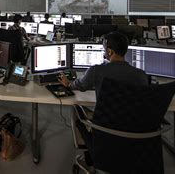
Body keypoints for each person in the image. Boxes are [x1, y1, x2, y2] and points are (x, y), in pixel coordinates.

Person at [58, 32, 148, 168]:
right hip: (133, 134)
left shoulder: (97, 71)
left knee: (76, 107)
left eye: (104, 48)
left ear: (110, 51)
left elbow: (78, 86)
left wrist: (68, 83)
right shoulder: (141, 75)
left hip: (105, 131)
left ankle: (89, 147)